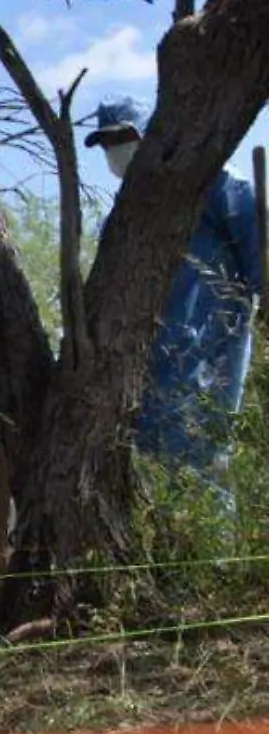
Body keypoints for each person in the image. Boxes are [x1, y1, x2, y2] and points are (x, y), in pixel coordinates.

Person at [86, 95, 263, 487]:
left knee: (203, 471)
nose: (115, 151)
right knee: (150, 483)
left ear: (151, 133)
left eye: (122, 138)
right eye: (106, 144)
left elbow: (260, 259)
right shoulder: (121, 217)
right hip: (139, 379)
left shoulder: (211, 182)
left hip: (206, 361)